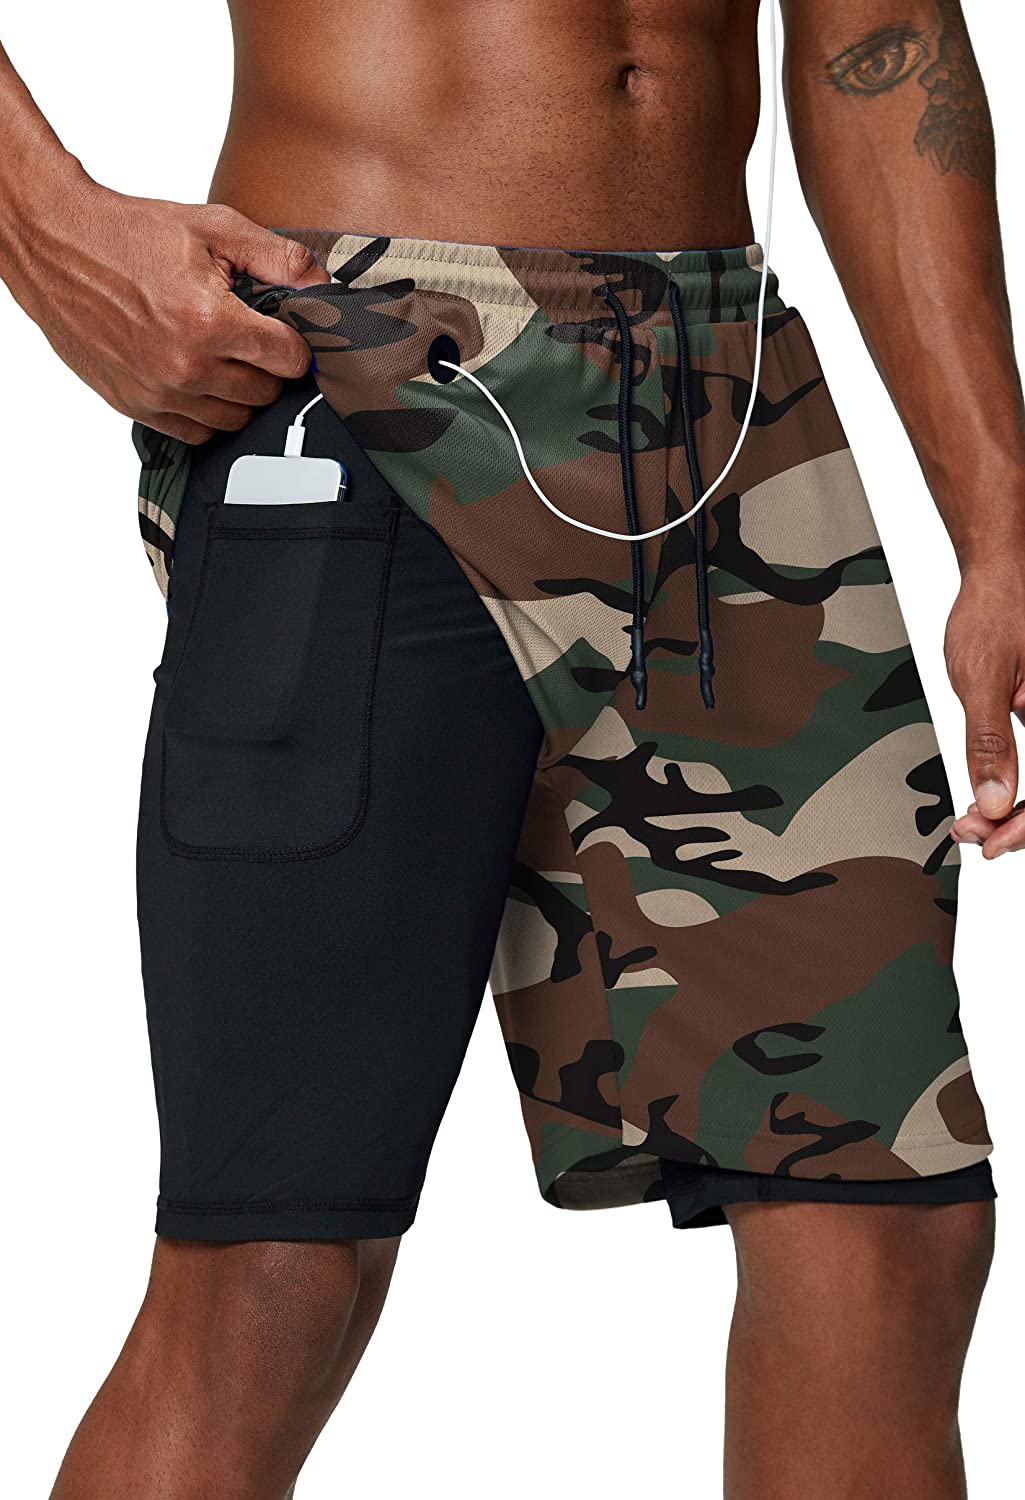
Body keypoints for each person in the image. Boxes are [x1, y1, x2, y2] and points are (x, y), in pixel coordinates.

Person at [1, 2, 1021, 1496]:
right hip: (367, 361)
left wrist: (997, 530)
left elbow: (878, 31)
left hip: (723, 406)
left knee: (883, 1215)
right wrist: (42, 217)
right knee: (274, 1264)